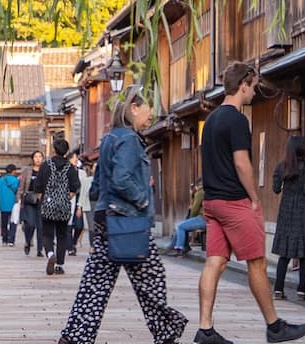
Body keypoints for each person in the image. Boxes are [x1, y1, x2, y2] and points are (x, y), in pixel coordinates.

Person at [59, 85, 187, 344]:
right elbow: (122, 179)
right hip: (128, 220)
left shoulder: (109, 138)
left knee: (96, 284)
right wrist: (142, 198)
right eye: (148, 109)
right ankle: (166, 334)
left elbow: (97, 186)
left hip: (107, 218)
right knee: (151, 278)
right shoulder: (129, 139)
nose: (151, 115)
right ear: (134, 108)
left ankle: (74, 337)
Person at [194, 62, 305, 344]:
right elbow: (241, 163)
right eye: (254, 86)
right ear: (243, 85)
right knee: (257, 263)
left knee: (214, 262)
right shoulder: (237, 120)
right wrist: (255, 198)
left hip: (212, 202)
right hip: (234, 202)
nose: (255, 91)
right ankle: (274, 326)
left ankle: (205, 328)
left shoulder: (210, 120)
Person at [269, 136, 305, 302]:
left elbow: (276, 188)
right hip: (303, 209)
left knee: (284, 252)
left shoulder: (281, 166)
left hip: (286, 208)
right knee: (304, 253)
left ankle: (278, 289)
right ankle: (301, 291)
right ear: (302, 149)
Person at [38, 138, 80, 275]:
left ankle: (50, 254)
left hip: (48, 205)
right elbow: (75, 187)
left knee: (47, 233)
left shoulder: (45, 165)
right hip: (64, 206)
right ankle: (60, 265)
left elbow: (38, 187)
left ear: (54, 150)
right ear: (66, 152)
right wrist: (65, 198)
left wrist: (43, 199)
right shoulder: (70, 168)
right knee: (62, 235)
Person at [167, 181, 206, 256]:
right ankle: (181, 246)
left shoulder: (200, 192)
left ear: (197, 186)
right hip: (207, 218)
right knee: (181, 225)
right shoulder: (207, 191)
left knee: (180, 226)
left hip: (202, 218)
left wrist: (191, 218)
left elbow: (195, 208)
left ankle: (179, 248)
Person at [23, 150, 46, 256]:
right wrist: (19, 198)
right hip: (29, 200)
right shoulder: (27, 170)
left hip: (42, 200)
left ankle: (39, 249)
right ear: (32, 159)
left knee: (41, 226)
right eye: (36, 157)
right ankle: (28, 241)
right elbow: (22, 186)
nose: (38, 159)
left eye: (40, 157)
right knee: (30, 224)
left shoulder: (46, 170)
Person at [0, 165, 21, 246]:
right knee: (13, 222)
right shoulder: (16, 180)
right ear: (13, 171)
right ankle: (11, 240)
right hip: (13, 204)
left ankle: (4, 240)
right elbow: (17, 191)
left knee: (4, 223)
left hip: (3, 204)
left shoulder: (0, 180)